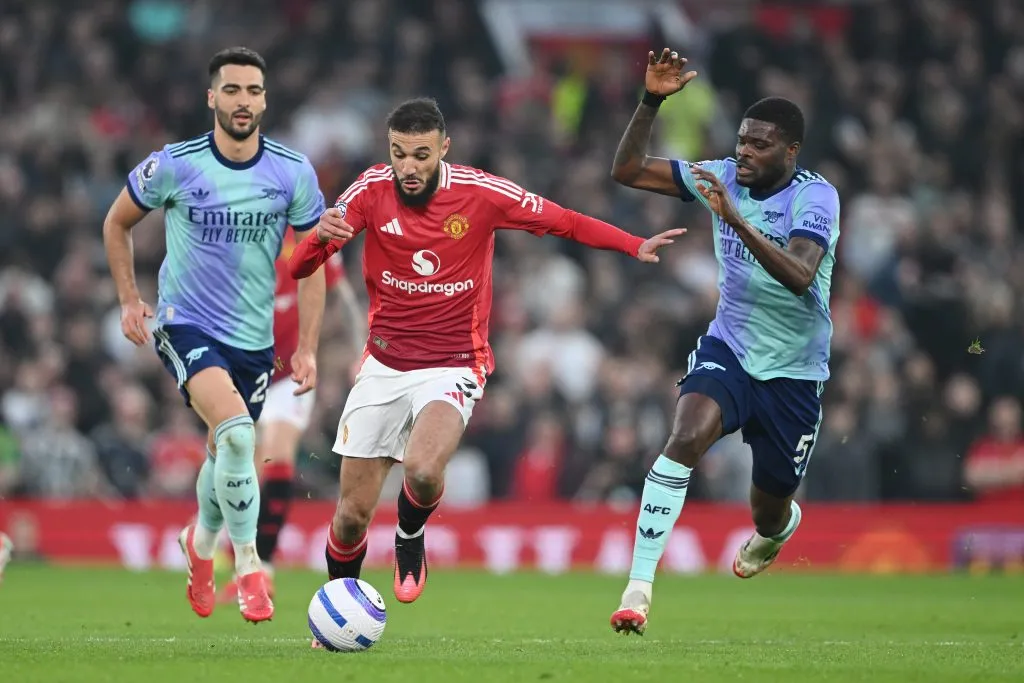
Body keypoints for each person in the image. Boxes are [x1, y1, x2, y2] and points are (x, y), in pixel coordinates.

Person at [289, 97, 682, 610]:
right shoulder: (368, 191)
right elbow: (300, 267)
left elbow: (563, 221)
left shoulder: (481, 193)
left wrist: (632, 244)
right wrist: (317, 238)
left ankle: (410, 532)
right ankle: (338, 608)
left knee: (422, 470)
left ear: (444, 149)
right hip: (383, 365)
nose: (408, 167)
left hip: (454, 364)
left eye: (421, 155)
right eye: (399, 154)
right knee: (349, 518)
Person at [607, 49, 840, 635]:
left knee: (769, 508)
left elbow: (800, 274)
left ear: (791, 151)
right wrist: (651, 101)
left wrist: (735, 219)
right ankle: (637, 589)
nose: (744, 152)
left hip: (794, 372)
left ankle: (778, 528)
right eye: (741, 140)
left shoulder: (815, 197)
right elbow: (627, 170)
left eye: (760, 144)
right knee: (685, 435)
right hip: (730, 348)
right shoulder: (720, 177)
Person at [102, 47, 328, 623]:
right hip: (185, 324)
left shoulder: (293, 172)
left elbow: (313, 263)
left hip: (255, 342)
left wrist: (307, 346)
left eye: (253, 90)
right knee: (238, 436)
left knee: (223, 450)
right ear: (212, 98)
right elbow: (117, 222)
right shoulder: (175, 164)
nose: (243, 101)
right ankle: (249, 566)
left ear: (265, 99)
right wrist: (129, 298)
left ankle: (199, 542)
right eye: (232, 90)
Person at [218, 227, 366, 604]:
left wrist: (361, 352)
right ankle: (244, 563)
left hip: (291, 371)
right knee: (246, 467)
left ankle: (263, 569)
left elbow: (343, 297)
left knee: (278, 456)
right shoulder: (235, 229)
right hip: (243, 370)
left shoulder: (309, 234)